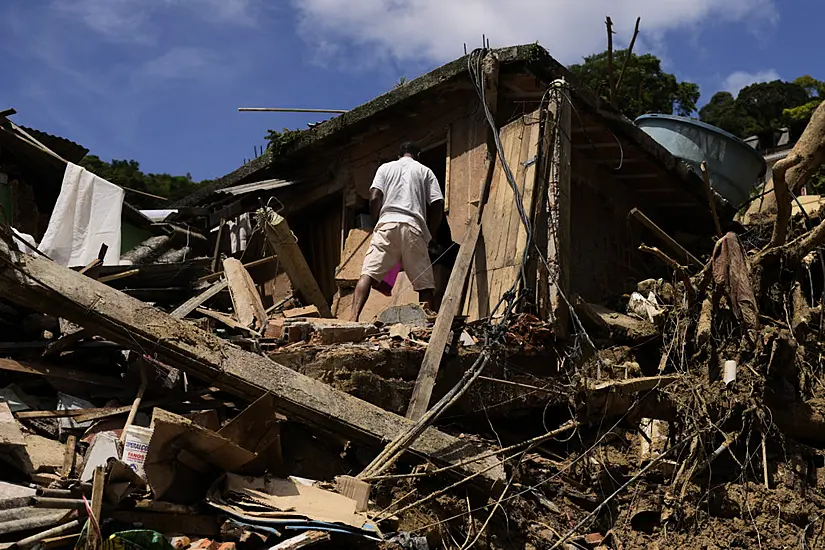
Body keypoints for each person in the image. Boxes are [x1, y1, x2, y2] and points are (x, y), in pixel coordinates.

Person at [350, 141, 444, 321]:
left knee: (368, 274)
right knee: (425, 285)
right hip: (413, 227)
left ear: (399, 154)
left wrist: (378, 221)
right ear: (418, 155)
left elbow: (375, 197)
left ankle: (353, 319)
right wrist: (431, 234)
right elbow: (437, 204)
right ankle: (428, 326)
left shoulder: (385, 168)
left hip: (387, 224)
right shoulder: (425, 171)